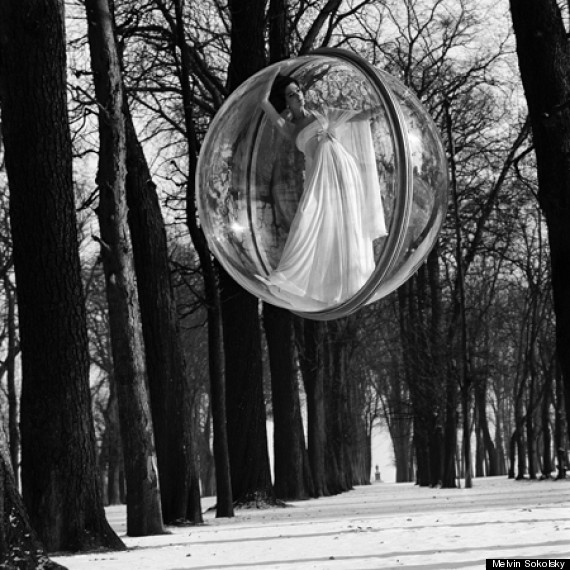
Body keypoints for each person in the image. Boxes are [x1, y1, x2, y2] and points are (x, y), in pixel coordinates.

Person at [258, 69, 387, 310]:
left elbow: (359, 116)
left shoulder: (323, 112)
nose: (298, 96)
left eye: (298, 91)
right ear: (285, 101)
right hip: (321, 176)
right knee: (312, 219)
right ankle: (300, 278)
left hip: (344, 170)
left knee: (348, 223)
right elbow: (263, 102)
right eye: (291, 94)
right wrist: (272, 73)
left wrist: (385, 106)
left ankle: (353, 276)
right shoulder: (289, 127)